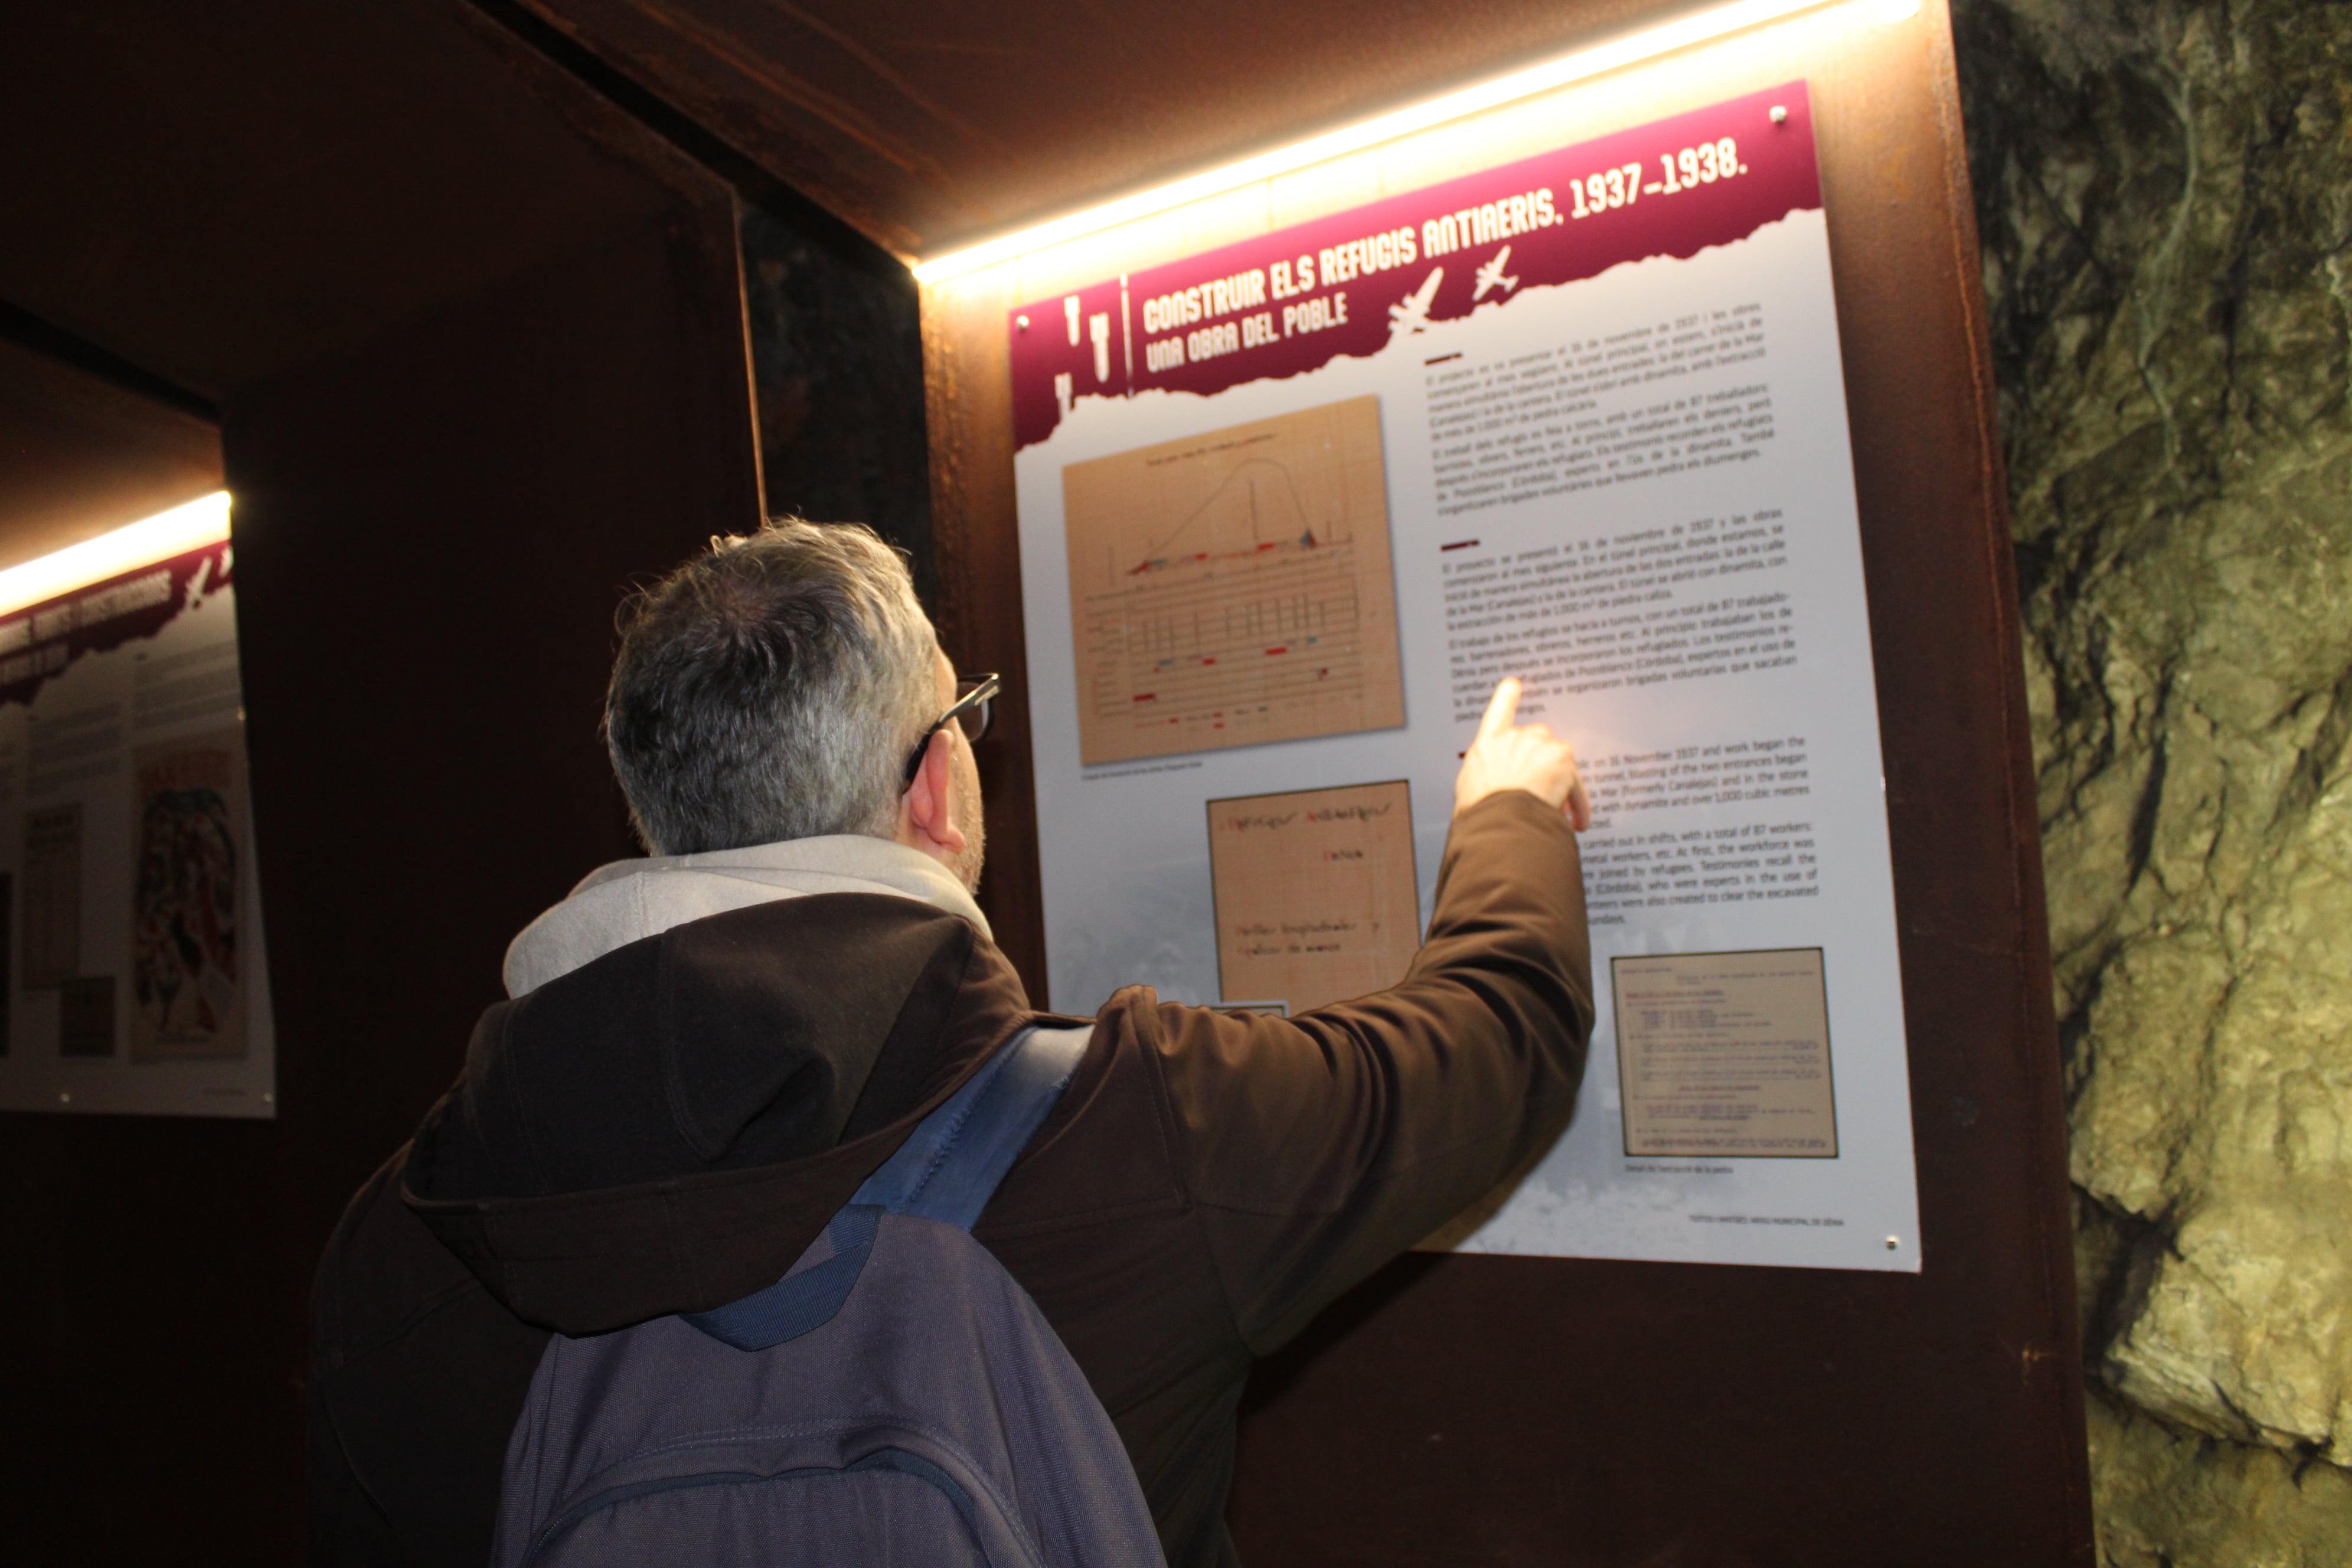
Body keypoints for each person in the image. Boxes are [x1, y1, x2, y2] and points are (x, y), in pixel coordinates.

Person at [309, 519, 1595, 1568]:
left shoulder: (408, 1236)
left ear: (659, 807)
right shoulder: (1134, 1131)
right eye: (961, 717)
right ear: (934, 788)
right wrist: (1511, 811)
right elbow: (1494, 1042)